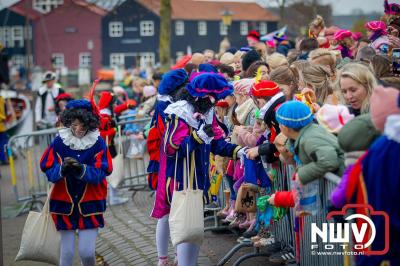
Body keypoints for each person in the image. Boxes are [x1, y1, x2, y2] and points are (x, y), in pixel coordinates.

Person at [152, 73, 246, 266]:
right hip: (180, 179)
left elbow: (217, 144)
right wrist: (197, 137)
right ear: (199, 97)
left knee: (193, 229)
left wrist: (240, 151)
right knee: (184, 227)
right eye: (212, 98)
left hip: (197, 178)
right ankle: (166, 259)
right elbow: (172, 149)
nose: (215, 103)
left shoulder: (206, 113)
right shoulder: (179, 113)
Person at [40, 98, 112, 266]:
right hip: (64, 203)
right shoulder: (59, 141)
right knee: (67, 253)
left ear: (90, 123)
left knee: (86, 253)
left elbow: (103, 171)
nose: (78, 129)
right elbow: (47, 168)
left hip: (90, 204)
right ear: (68, 122)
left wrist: (82, 169)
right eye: (74, 125)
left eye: (83, 125)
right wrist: (61, 170)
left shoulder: (98, 142)